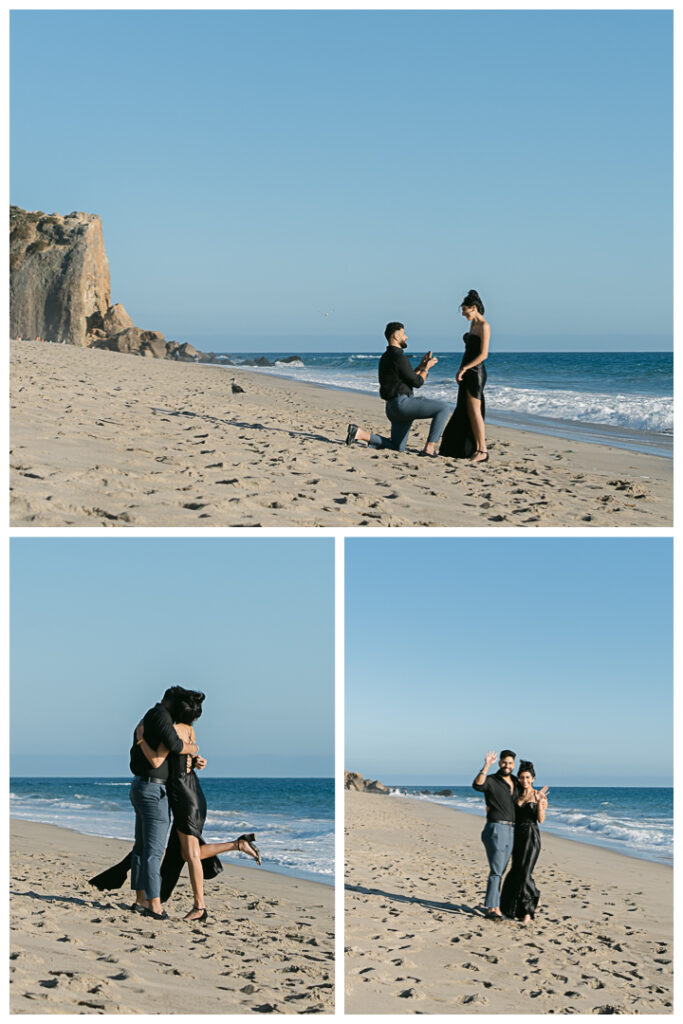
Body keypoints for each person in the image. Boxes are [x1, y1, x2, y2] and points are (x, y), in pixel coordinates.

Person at [135, 689, 261, 921]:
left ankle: (199, 907)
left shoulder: (172, 732)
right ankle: (238, 844)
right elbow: (188, 757)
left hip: (183, 798)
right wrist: (196, 756)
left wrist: (141, 738)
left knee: (191, 854)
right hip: (194, 794)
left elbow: (157, 760)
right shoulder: (191, 731)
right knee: (188, 852)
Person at [127, 686, 199, 920]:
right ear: (172, 703)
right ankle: (154, 905)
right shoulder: (161, 717)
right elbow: (174, 747)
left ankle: (140, 900)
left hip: (142, 786)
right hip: (152, 788)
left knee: (141, 848)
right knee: (153, 851)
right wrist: (193, 747)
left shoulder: (154, 715)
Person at [345, 322, 452, 456]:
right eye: (404, 334)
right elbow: (418, 382)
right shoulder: (399, 357)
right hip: (403, 405)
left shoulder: (386, 357)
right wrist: (427, 368)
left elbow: (408, 378)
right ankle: (429, 448)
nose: (406, 337)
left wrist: (420, 366)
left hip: (391, 408)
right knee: (443, 407)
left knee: (397, 447)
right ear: (396, 336)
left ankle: (360, 434)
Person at [439, 290, 490, 462]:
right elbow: (468, 351)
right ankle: (468, 448)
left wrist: (464, 368)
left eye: (464, 310)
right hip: (467, 371)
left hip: (476, 373)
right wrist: (461, 369)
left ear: (474, 308)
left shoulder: (484, 326)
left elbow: (483, 355)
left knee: (475, 411)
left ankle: (483, 451)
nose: (463, 314)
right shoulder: (472, 325)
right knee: (465, 410)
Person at [472, 749, 519, 920]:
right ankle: (492, 909)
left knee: (501, 869)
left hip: (511, 829)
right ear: (499, 762)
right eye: (504, 762)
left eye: (510, 763)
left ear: (514, 764)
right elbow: (477, 785)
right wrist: (486, 765)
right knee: (496, 870)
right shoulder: (491, 780)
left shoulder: (515, 781)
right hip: (496, 828)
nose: (507, 765)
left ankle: (496, 904)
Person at [500, 760, 548, 924]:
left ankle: (528, 911)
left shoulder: (537, 795)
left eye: (527, 777)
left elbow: (541, 820)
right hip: (516, 836)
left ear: (533, 778)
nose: (524, 780)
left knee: (525, 873)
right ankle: (514, 908)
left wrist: (541, 805)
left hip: (531, 836)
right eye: (521, 777)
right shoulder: (516, 794)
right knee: (516, 871)